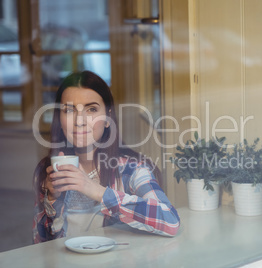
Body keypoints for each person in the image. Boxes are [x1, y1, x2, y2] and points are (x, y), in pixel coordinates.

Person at [32, 71, 180, 243]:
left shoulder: (131, 169)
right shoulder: (46, 171)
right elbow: (39, 245)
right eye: (69, 110)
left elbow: (170, 221)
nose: (80, 121)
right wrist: (52, 200)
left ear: (108, 117)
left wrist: (96, 190)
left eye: (92, 109)